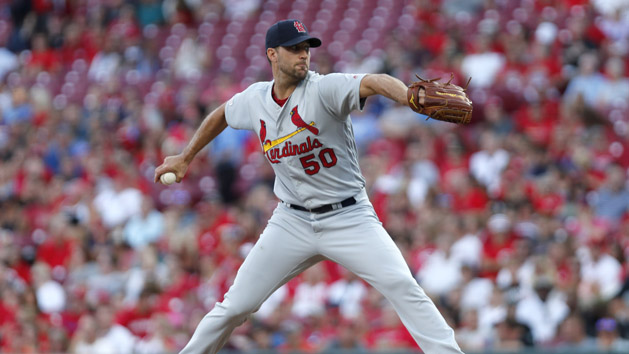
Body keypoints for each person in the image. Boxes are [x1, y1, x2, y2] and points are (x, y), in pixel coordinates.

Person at [155, 19, 463, 354]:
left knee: (402, 284)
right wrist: (185, 157)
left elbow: (372, 82)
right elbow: (221, 115)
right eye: (295, 49)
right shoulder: (255, 99)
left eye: (306, 48)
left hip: (349, 216)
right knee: (234, 306)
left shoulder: (323, 89)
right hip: (291, 221)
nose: (304, 55)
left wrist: (405, 95)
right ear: (272, 54)